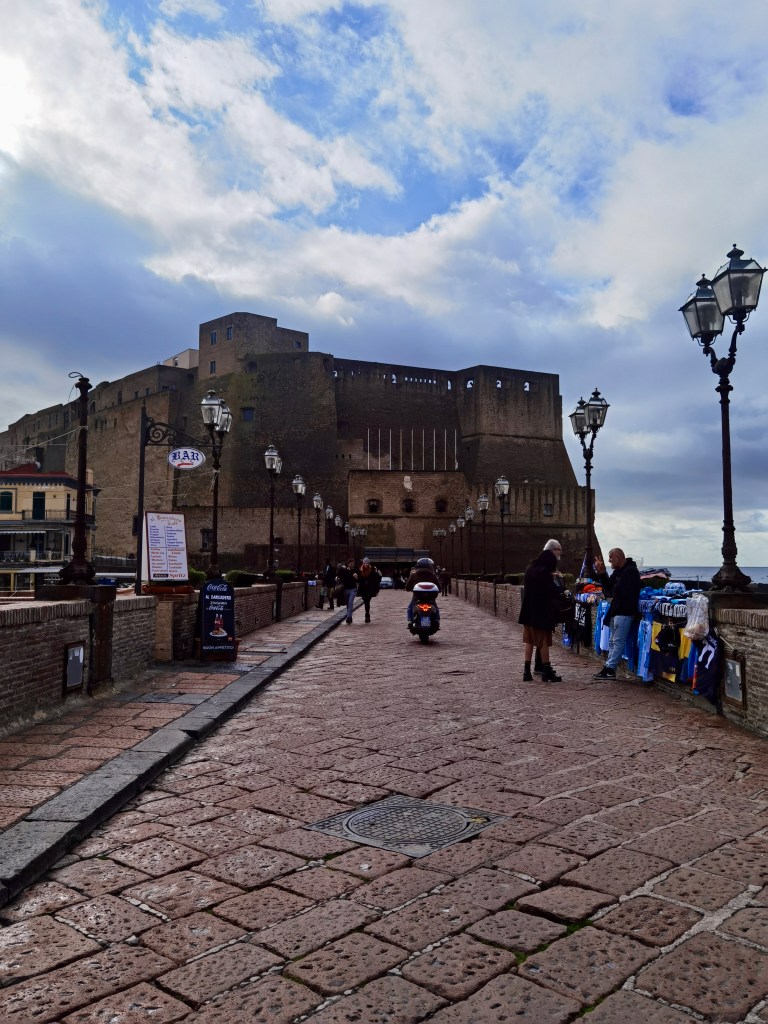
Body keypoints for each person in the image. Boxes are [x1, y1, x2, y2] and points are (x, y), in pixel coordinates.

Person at [592, 548, 641, 680]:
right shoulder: (618, 572)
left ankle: (610, 669)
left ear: (618, 558)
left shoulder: (631, 571)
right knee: (612, 641)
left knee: (618, 641)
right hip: (616, 611)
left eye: (610, 557)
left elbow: (619, 591)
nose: (608, 560)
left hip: (625, 611)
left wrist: (614, 589)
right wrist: (602, 572)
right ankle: (608, 667)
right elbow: (608, 588)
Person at [518, 548, 561, 682]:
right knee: (543, 642)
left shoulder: (530, 569)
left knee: (529, 642)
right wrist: (560, 584)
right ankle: (546, 672)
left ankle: (526, 672)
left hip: (528, 612)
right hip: (540, 613)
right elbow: (553, 591)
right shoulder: (544, 572)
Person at [405, 557, 441, 629]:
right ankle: (436, 620)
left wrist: (411, 588)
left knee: (410, 607)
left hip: (417, 598)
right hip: (431, 598)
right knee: (435, 607)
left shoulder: (414, 575)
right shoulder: (433, 575)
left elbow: (407, 587)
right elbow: (439, 588)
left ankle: (410, 621)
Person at [356, 557, 381, 623]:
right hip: (363, 589)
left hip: (370, 589)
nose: (365, 564)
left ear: (369, 563)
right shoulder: (360, 571)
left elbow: (376, 580)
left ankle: (367, 615)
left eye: (366, 563)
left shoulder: (372, 571)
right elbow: (358, 580)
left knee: (367, 601)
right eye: (364, 563)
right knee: (366, 601)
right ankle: (367, 614)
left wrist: (377, 589)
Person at [336, 558, 359, 624]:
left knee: (350, 602)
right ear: (348, 564)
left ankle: (348, 617)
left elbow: (359, 580)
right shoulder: (344, 570)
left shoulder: (355, 571)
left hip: (353, 589)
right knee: (348, 604)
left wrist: (356, 577)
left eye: (353, 564)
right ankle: (350, 616)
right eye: (350, 564)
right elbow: (338, 574)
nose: (352, 565)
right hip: (345, 589)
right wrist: (340, 567)